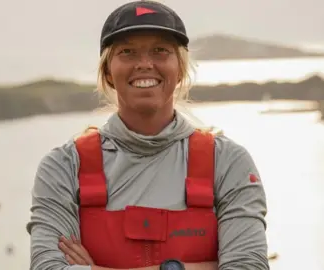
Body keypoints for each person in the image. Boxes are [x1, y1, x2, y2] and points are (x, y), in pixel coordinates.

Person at [26, 1, 269, 270]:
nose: (144, 64)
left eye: (160, 51)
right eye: (127, 52)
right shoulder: (64, 167)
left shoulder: (227, 163)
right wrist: (201, 267)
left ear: (180, 69)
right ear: (108, 71)